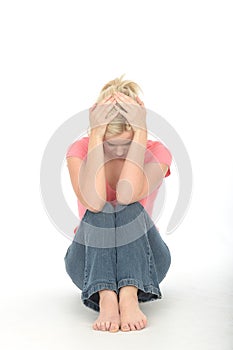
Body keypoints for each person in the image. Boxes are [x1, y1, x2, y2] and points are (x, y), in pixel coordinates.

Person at [64, 74, 172, 332]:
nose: (120, 152)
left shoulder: (157, 152)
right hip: (88, 264)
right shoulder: (79, 150)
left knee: (127, 204)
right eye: (111, 144)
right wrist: (95, 137)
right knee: (99, 206)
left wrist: (141, 132)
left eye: (127, 143)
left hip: (146, 263)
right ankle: (106, 297)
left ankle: (129, 294)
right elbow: (93, 200)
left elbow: (126, 194)